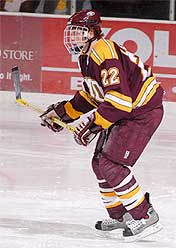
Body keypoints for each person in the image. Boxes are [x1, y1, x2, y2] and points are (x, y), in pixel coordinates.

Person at [40, 9, 164, 241]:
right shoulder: (87, 56)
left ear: (91, 32)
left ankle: (145, 215)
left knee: (112, 164)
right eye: (72, 32)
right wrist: (63, 114)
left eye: (78, 32)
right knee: (99, 162)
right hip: (128, 111)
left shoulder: (102, 52)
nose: (73, 37)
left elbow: (119, 101)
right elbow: (93, 95)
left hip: (142, 112)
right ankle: (121, 216)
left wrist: (93, 126)